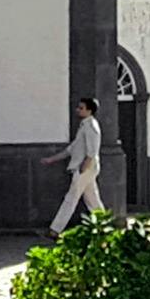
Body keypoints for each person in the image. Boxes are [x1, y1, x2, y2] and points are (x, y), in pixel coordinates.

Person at [43, 95, 106, 236]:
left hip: (85, 167)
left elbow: (92, 149)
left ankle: (55, 230)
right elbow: (72, 148)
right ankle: (105, 226)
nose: (78, 110)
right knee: (92, 200)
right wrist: (53, 159)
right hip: (85, 167)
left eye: (81, 108)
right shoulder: (85, 125)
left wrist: (85, 165)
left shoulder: (91, 126)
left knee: (71, 198)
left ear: (89, 111)